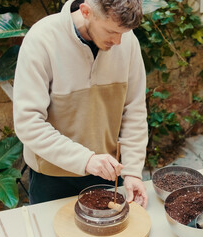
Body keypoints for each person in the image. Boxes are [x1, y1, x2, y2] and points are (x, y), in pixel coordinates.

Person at [13, 0, 149, 208]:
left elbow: (134, 112)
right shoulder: (42, 39)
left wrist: (132, 172)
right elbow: (28, 123)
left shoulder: (127, 42)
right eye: (111, 31)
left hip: (108, 174)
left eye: (123, 33)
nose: (119, 42)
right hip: (52, 176)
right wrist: (86, 160)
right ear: (86, 11)